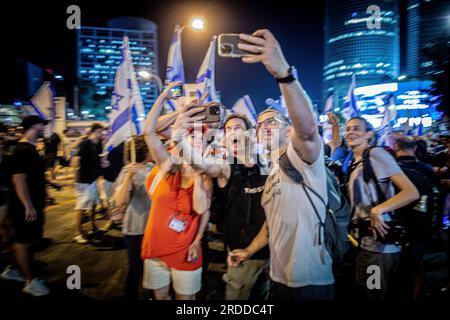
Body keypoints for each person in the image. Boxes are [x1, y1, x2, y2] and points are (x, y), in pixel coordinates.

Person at [224, 29, 334, 300]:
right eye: (260, 124)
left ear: (288, 129)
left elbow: (308, 129)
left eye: (272, 120)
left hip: (310, 281)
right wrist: (249, 251)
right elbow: (272, 225)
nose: (264, 126)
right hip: (278, 277)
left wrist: (283, 74)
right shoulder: (270, 171)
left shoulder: (302, 159)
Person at [141, 83, 212, 300]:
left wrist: (197, 239)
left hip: (185, 251)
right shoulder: (168, 166)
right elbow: (149, 131)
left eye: (201, 142)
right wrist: (168, 100)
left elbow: (202, 209)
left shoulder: (205, 176)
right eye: (192, 140)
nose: (196, 144)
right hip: (155, 248)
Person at [344, 117, 419, 300]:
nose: (350, 132)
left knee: (373, 295)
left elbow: (411, 192)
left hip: (379, 250)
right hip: (367, 246)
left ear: (369, 134)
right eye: (348, 129)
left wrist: (378, 210)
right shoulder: (354, 163)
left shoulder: (376, 154)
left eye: (357, 128)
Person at [0, 116, 50, 296]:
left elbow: (31, 176)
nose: (44, 129)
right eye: (41, 125)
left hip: (30, 205)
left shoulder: (30, 149)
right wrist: (28, 206)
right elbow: (18, 179)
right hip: (24, 207)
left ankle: (12, 270)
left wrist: (50, 184)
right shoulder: (23, 150)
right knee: (23, 242)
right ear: (33, 127)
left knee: (25, 240)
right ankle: (30, 282)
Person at [393, 135, 437, 300]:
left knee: (387, 272)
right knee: (416, 269)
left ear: (396, 147)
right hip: (419, 228)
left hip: (393, 229)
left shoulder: (391, 170)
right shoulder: (427, 170)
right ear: (415, 148)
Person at [113, 135, 153, 300]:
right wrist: (129, 177)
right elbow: (119, 201)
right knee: (136, 269)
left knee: (154, 269)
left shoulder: (154, 167)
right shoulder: (128, 170)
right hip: (135, 228)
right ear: (144, 150)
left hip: (154, 228)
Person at [72, 123, 106, 244]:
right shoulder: (86, 143)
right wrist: (75, 180)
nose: (103, 134)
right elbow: (76, 160)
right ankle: (78, 233)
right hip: (83, 181)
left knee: (92, 205)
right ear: (96, 132)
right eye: (101, 132)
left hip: (92, 180)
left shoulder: (96, 145)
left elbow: (97, 161)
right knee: (81, 207)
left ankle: (93, 227)